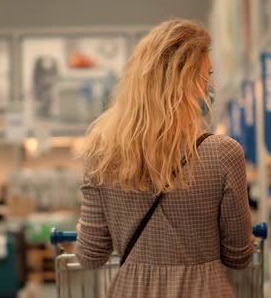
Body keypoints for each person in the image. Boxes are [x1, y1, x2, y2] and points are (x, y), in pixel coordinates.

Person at [75, 19, 254, 297]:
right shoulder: (222, 153)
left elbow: (90, 255)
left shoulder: (101, 153)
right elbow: (239, 255)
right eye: (208, 74)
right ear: (189, 82)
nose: (212, 85)